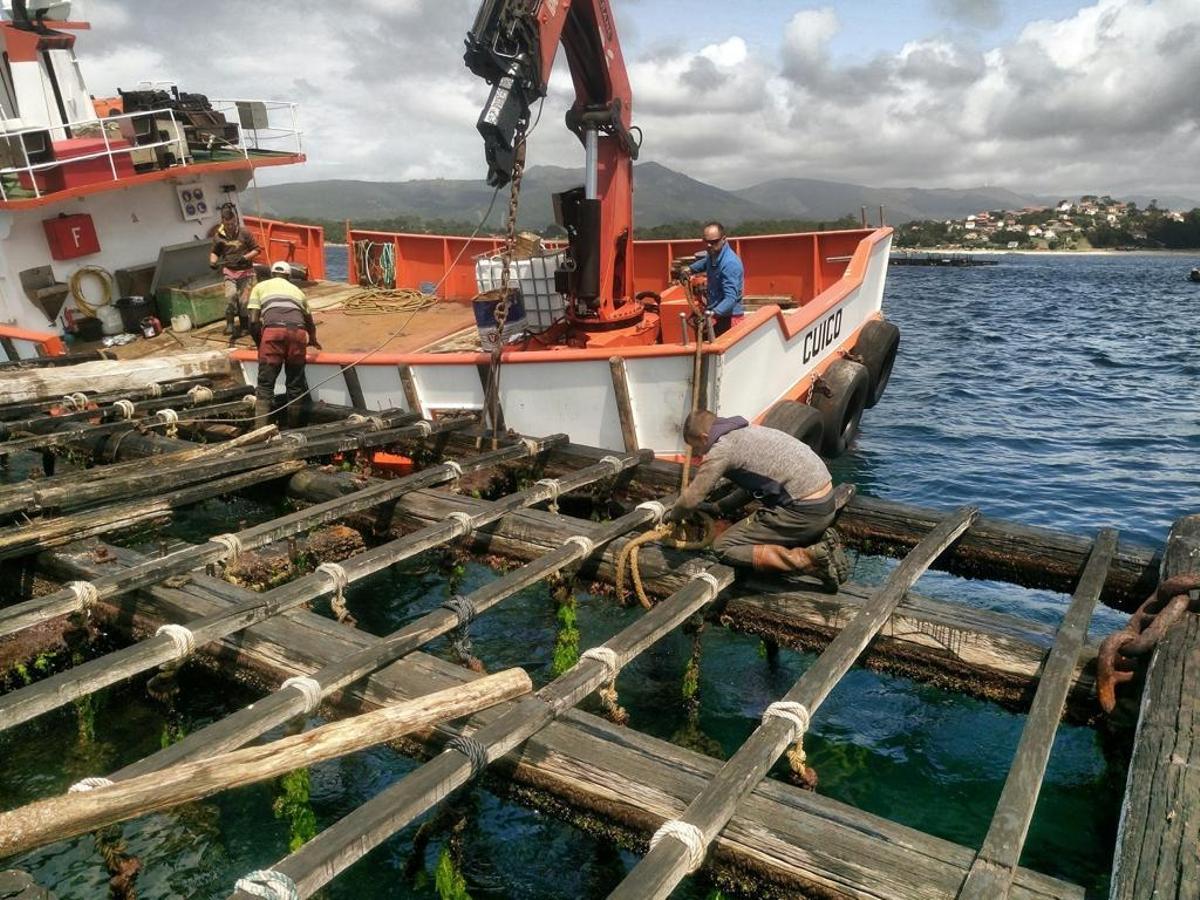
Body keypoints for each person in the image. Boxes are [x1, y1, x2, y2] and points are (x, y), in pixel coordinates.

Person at [666, 409, 852, 589]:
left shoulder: (723, 449)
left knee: (723, 547)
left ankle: (809, 560)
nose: (698, 454)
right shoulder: (751, 431)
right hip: (826, 503)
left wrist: (673, 517)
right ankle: (818, 540)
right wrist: (719, 507)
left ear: (704, 437)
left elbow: (691, 499)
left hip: (803, 512)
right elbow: (755, 488)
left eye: (696, 448)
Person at [247, 261, 320, 429]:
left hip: (273, 333)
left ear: (272, 274)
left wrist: (260, 344)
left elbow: (253, 321)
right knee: (295, 384)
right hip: (298, 334)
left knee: (265, 385)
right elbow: (309, 322)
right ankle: (293, 428)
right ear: (289, 277)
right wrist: (313, 339)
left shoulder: (260, 287)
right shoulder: (298, 291)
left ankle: (260, 430)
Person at [209, 204, 261, 340]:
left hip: (246, 272)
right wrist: (213, 262)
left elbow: (256, 250)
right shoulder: (218, 237)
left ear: (236, 221)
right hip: (230, 272)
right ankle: (230, 324)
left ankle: (244, 326)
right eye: (227, 224)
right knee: (231, 296)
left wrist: (244, 258)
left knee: (244, 301)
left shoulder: (245, 233)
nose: (230, 226)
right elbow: (215, 252)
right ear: (223, 222)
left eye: (232, 223)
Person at [686, 221, 744, 336]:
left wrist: (712, 314)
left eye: (713, 242)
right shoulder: (713, 252)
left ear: (723, 239)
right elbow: (705, 262)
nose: (709, 245)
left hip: (728, 319)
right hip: (716, 313)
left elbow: (730, 299)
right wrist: (690, 269)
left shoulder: (730, 264)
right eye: (706, 242)